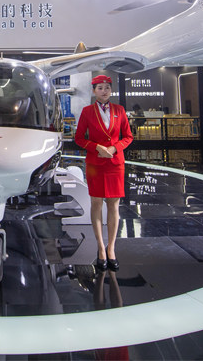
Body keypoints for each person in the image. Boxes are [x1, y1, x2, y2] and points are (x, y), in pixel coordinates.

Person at [74, 75, 133, 272]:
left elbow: (128, 137)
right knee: (96, 203)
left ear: (111, 90)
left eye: (107, 87)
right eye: (100, 88)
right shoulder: (87, 111)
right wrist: (96, 147)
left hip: (115, 163)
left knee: (114, 205)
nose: (104, 91)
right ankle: (100, 248)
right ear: (94, 91)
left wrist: (114, 148)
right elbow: (79, 138)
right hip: (96, 163)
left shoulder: (119, 110)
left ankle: (111, 248)